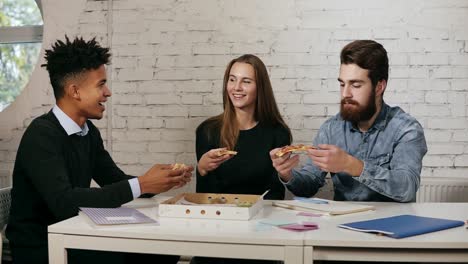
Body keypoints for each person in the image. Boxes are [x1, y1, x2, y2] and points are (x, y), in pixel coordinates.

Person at [6, 36, 193, 264]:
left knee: (162, 252)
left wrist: (160, 181)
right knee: (149, 257)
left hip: (74, 233)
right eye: (101, 84)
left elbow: (113, 180)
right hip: (42, 247)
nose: (108, 92)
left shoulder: (88, 132)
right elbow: (64, 201)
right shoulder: (42, 134)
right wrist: (142, 183)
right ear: (75, 91)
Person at [271, 40, 427, 203]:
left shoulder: (406, 129)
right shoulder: (331, 129)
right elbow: (308, 185)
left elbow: (407, 188)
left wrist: (350, 164)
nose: (346, 93)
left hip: (391, 225)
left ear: (379, 87)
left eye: (356, 85)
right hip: (343, 225)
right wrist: (287, 173)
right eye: (342, 84)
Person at [192, 54, 291, 264]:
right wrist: (202, 169)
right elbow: (203, 196)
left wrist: (286, 174)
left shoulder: (278, 133)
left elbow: (276, 194)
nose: (236, 87)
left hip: (260, 233)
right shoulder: (207, 131)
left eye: (246, 81)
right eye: (232, 79)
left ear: (260, 88)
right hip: (216, 232)